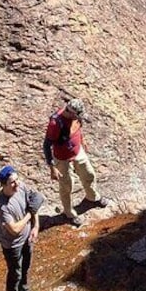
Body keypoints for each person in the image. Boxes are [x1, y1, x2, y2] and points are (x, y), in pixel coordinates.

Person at [43, 97, 108, 226]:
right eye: (77, 116)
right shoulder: (56, 123)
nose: (79, 118)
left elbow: (78, 127)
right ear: (70, 112)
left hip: (78, 151)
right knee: (66, 185)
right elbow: (46, 145)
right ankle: (68, 213)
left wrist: (82, 141)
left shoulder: (76, 117)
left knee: (89, 174)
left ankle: (92, 197)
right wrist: (52, 167)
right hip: (62, 157)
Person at [0, 165, 45, 291]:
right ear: (4, 185)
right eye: (12, 183)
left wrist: (36, 226)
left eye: (16, 180)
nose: (17, 184)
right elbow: (14, 229)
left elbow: (33, 203)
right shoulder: (1, 205)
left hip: (27, 238)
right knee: (14, 273)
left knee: (26, 267)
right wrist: (29, 216)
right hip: (13, 245)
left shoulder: (21, 187)